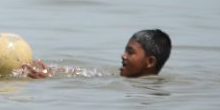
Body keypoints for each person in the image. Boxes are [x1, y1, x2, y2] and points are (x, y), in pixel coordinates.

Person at [22, 29, 172, 78]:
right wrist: (48, 72)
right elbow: (84, 74)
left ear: (150, 62)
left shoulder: (140, 89)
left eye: (130, 52)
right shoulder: (117, 77)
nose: (123, 55)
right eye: (125, 50)